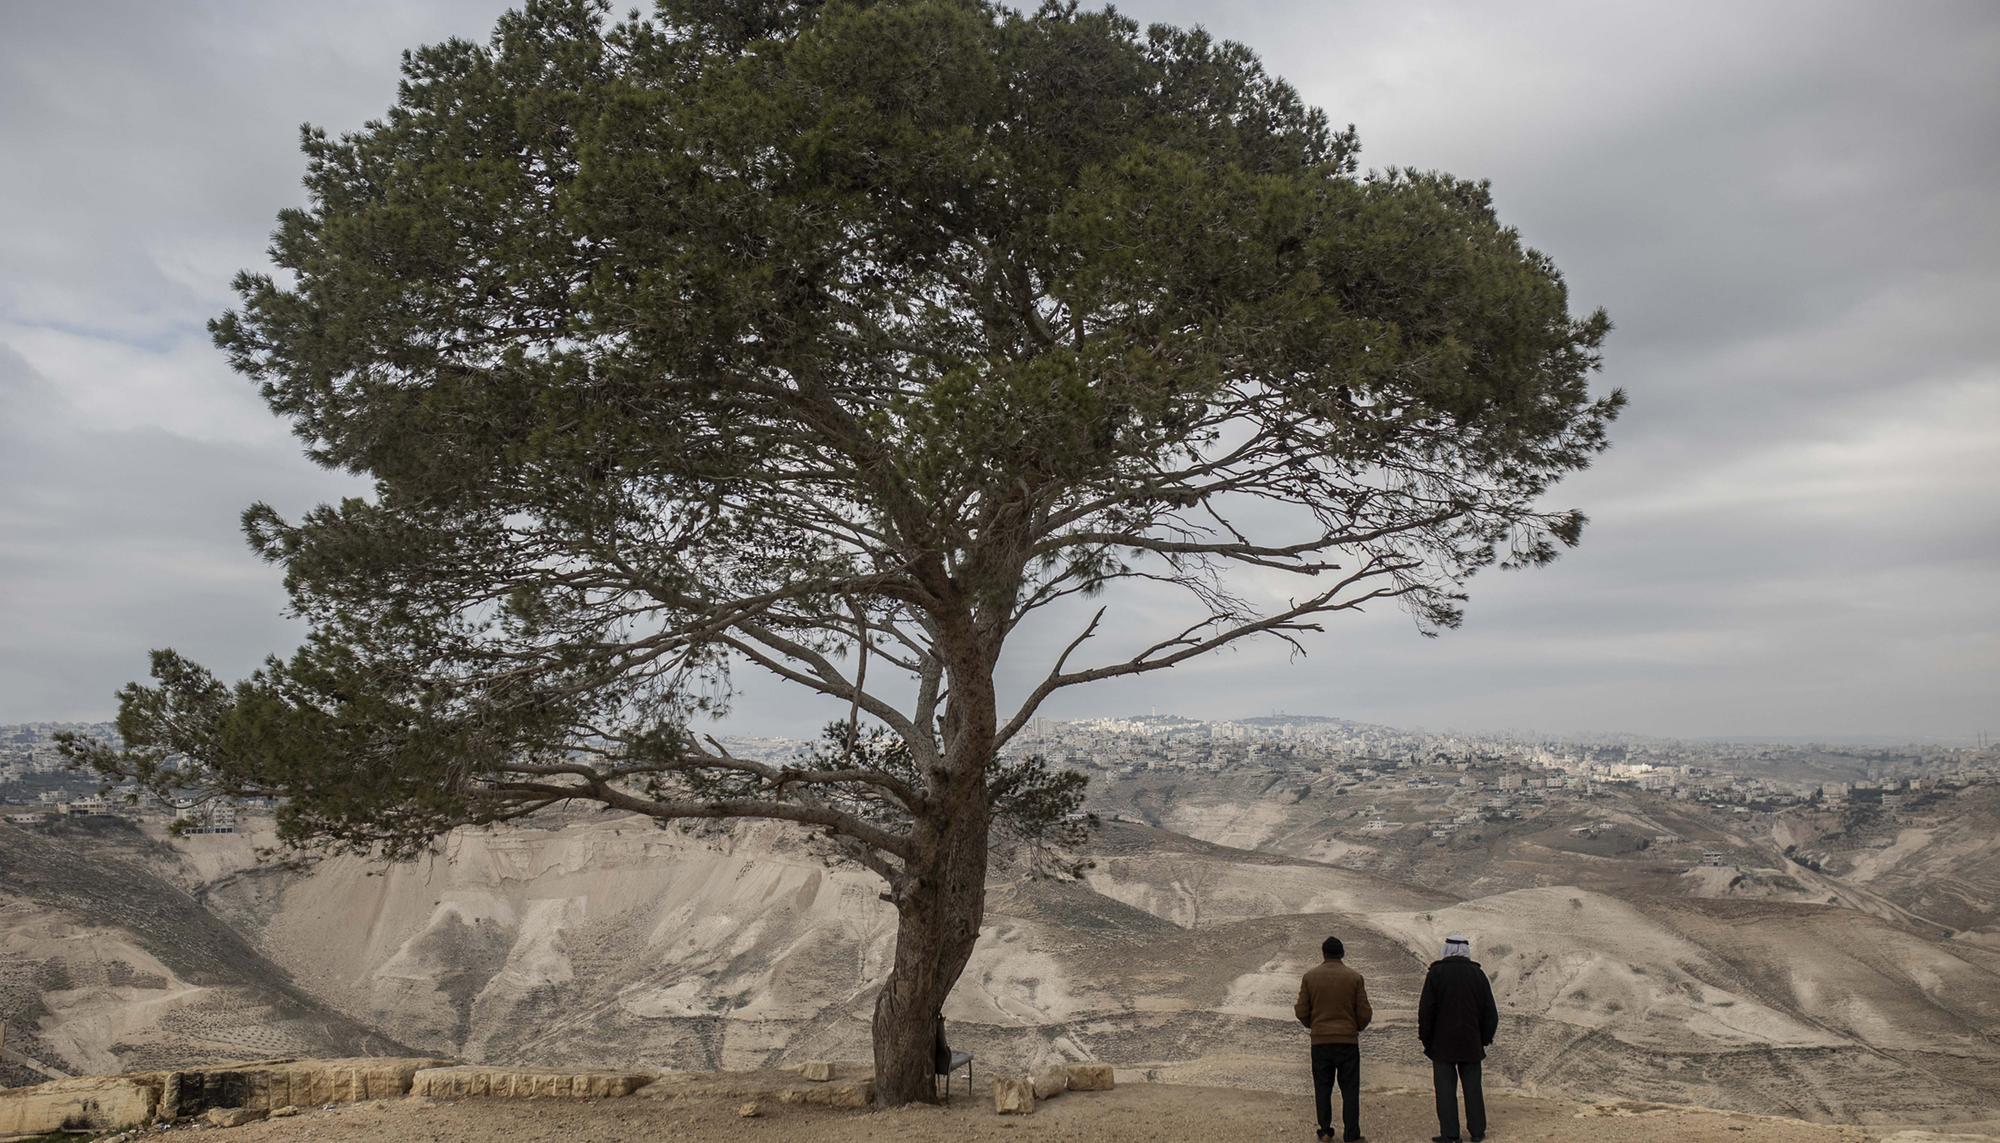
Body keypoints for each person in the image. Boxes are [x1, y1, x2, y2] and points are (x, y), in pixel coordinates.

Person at [1418, 933, 1500, 1143]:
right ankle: (1477, 1131)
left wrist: (1426, 1039)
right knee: (1473, 1088)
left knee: (1445, 1091)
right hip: (1471, 1041)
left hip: (1442, 1043)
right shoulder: (1477, 974)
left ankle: (1451, 1134)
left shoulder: (1436, 973)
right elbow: (1490, 1011)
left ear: (1447, 949)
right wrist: (1484, 1038)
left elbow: (1426, 1010)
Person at [1295, 934, 1372, 1142]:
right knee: (1350, 1089)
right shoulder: (1354, 977)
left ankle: (1325, 1130)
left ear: (1323, 953)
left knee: (1322, 1086)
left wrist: (1316, 1026)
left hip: (1320, 1042)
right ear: (1342, 954)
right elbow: (1365, 1012)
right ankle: (1352, 1134)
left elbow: (1301, 1010)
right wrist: (1354, 1028)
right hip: (1347, 1042)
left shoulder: (1310, 977)